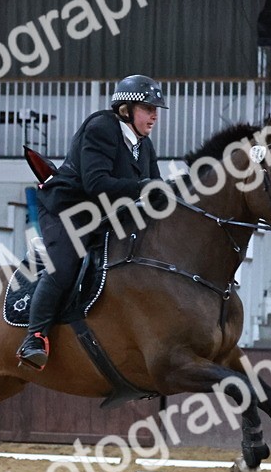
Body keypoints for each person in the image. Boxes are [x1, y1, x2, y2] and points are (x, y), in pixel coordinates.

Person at [16, 74, 167, 370]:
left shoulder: (144, 146)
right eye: (148, 108)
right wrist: (143, 187)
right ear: (126, 109)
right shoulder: (102, 127)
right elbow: (96, 183)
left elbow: (155, 188)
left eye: (156, 110)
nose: (154, 116)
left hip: (105, 213)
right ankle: (34, 337)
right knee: (65, 265)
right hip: (68, 209)